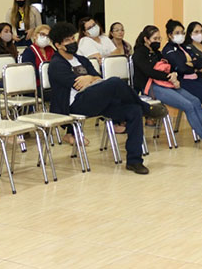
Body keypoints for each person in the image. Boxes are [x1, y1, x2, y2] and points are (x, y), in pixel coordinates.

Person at [48, 22, 164, 174]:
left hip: (96, 99)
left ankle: (134, 161)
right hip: (76, 104)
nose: (72, 42)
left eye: (72, 38)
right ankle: (146, 108)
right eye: (68, 41)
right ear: (58, 45)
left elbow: (97, 77)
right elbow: (77, 85)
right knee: (115, 82)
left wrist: (89, 78)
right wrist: (90, 79)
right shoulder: (56, 64)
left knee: (134, 111)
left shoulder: (80, 59)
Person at [132, 25, 202, 149]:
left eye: (159, 38)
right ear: (146, 39)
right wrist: (170, 77)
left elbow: (170, 67)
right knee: (187, 105)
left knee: (195, 101)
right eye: (155, 39)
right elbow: (150, 72)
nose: (158, 41)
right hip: (151, 86)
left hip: (167, 82)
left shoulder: (157, 53)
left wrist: (174, 75)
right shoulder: (139, 54)